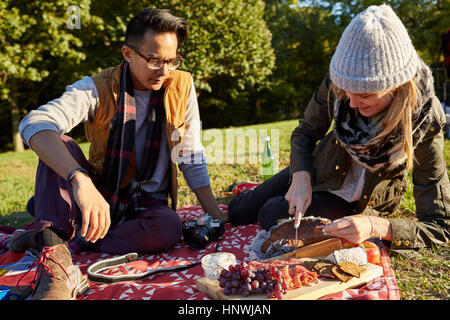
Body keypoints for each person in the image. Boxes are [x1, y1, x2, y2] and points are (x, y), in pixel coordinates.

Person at [15, 8, 227, 300]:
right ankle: (58, 269)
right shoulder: (97, 87)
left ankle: (55, 235)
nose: (164, 71)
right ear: (128, 53)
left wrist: (214, 214)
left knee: (168, 228)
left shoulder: (181, 85)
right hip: (98, 193)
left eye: (171, 60)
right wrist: (80, 180)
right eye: (154, 60)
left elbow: (189, 154)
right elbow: (33, 124)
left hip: (146, 203)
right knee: (60, 144)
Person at [228, 5, 449, 252]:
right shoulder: (343, 78)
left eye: (364, 94)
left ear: (396, 87)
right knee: (239, 211)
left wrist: (375, 226)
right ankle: (250, 193)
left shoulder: (425, 119)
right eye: (345, 91)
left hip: (359, 201)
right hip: (324, 166)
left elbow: (440, 225)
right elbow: (306, 132)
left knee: (272, 213)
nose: (351, 102)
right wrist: (301, 176)